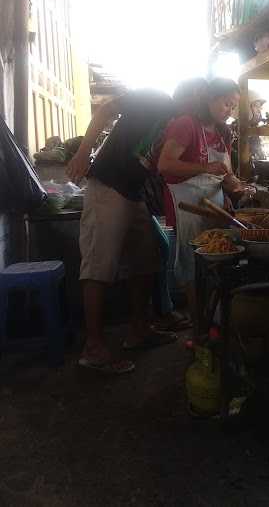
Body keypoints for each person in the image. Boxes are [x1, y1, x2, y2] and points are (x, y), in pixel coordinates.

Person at [67, 85, 201, 374]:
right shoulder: (155, 98)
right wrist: (82, 152)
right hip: (108, 184)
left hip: (133, 192)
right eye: (198, 96)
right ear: (186, 94)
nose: (199, 103)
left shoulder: (184, 125)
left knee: (148, 257)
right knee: (99, 265)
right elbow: (106, 109)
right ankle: (93, 348)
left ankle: (138, 330)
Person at [157, 78, 247, 325]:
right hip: (188, 207)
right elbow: (165, 165)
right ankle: (199, 327)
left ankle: (214, 321)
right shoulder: (186, 124)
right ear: (209, 99)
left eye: (233, 106)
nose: (229, 111)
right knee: (192, 265)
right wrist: (205, 167)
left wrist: (234, 188)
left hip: (215, 207)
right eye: (226, 103)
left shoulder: (222, 131)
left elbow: (223, 174)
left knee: (215, 266)